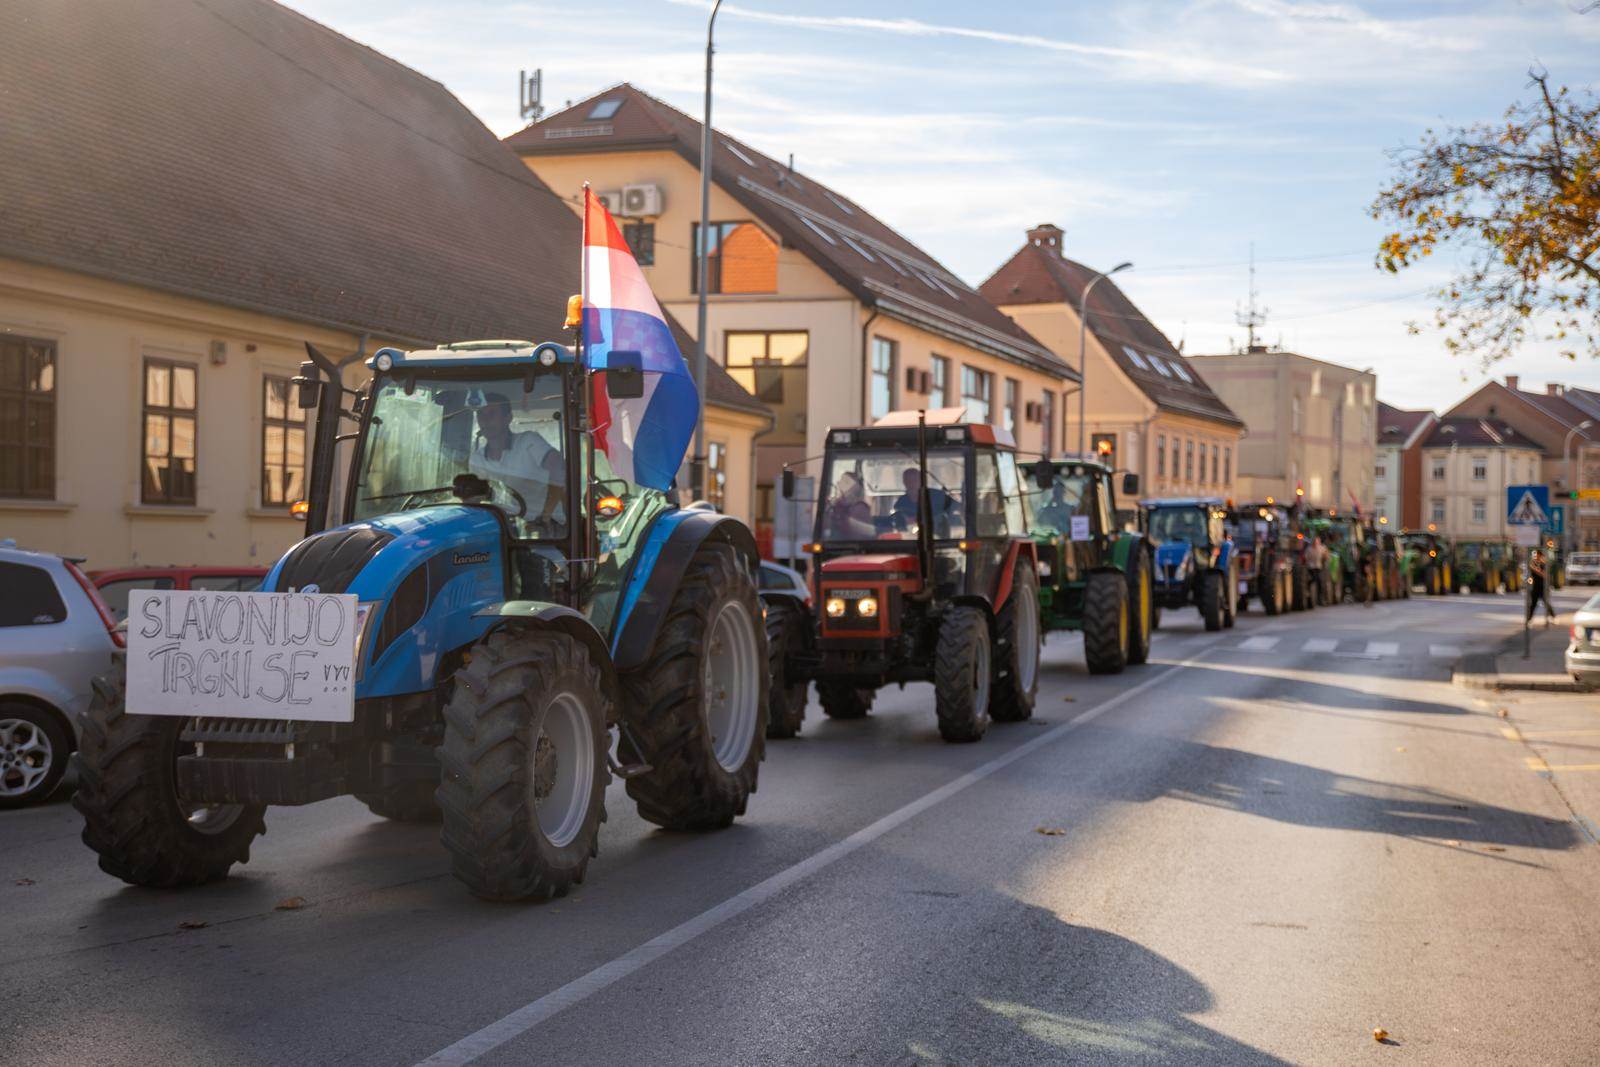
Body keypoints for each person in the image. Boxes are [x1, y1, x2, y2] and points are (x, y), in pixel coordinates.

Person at [468, 392, 565, 531]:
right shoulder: (477, 459)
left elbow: (558, 467)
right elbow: (475, 499)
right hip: (506, 527)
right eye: (481, 415)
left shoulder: (528, 442)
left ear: (508, 418)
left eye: (492, 414)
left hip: (549, 527)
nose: (486, 420)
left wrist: (545, 516)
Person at [825, 471, 875, 539]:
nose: (838, 483)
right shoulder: (838, 506)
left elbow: (854, 534)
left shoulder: (859, 508)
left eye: (844, 481)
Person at [1527, 549, 1556, 627]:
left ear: (1540, 556)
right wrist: (1529, 583)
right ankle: (1529, 620)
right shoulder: (1532, 565)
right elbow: (1529, 577)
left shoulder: (1544, 564)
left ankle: (1552, 617)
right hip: (1535, 587)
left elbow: (1544, 575)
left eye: (1536, 555)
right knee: (1533, 604)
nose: (1535, 557)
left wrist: (1535, 569)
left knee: (1546, 602)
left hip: (1543, 587)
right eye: (1534, 556)